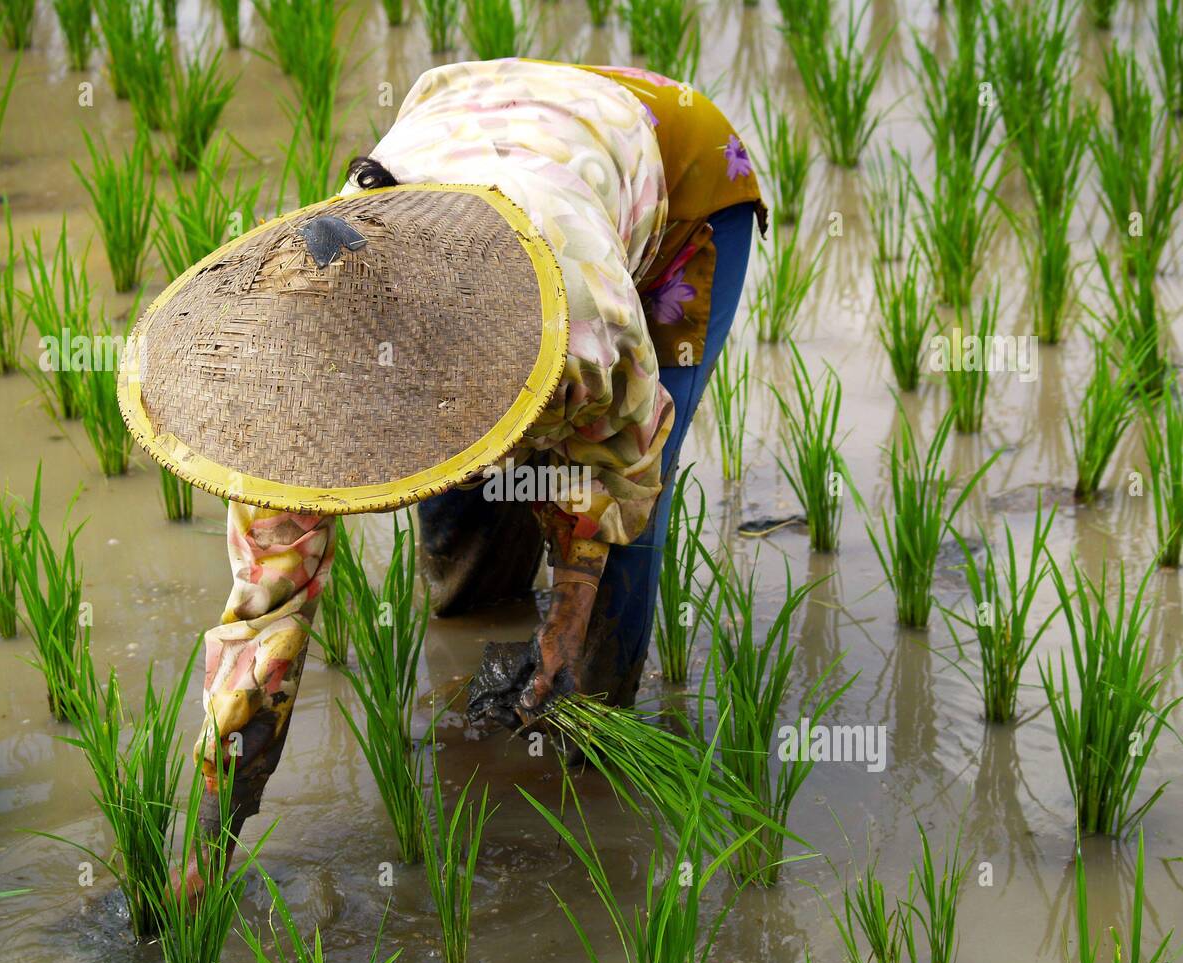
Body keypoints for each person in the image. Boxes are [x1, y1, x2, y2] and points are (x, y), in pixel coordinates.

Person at [118, 58, 766, 887]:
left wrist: (570, 611)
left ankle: (591, 739)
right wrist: (209, 837)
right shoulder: (283, 388)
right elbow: (263, 615)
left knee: (615, 536)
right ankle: (493, 669)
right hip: (471, 120)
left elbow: (618, 459)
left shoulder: (582, 314)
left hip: (676, 174)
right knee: (463, 505)